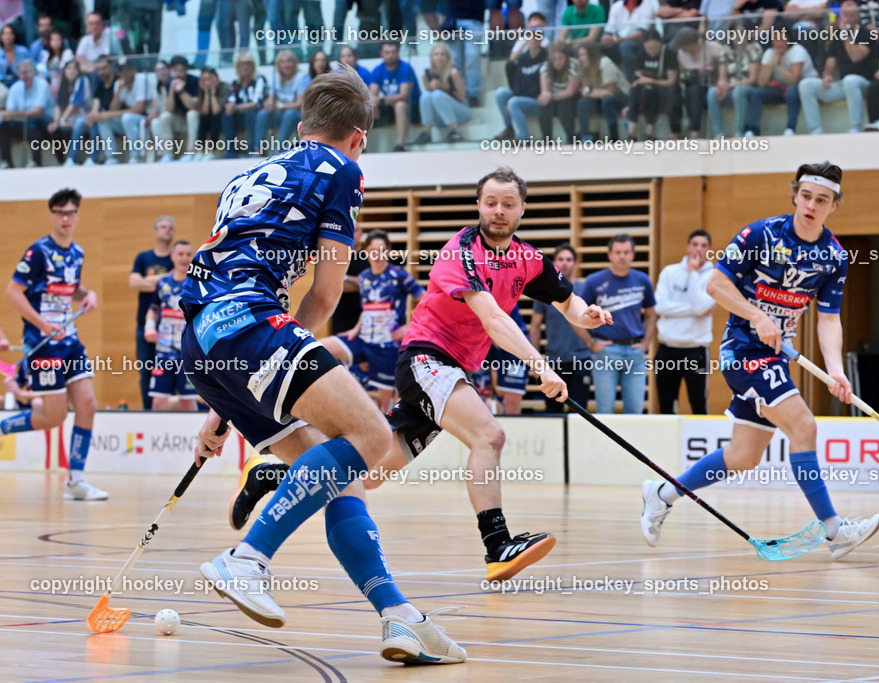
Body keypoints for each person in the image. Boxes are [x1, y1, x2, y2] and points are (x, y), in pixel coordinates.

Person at [182, 69, 466, 664]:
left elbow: (223, 279)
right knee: (370, 435)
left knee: (343, 476)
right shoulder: (343, 169)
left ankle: (398, 618)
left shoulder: (245, 175)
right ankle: (247, 559)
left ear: (301, 125)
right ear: (359, 137)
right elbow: (327, 291)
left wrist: (225, 403)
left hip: (201, 341)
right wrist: (284, 353)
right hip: (250, 324)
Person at [237, 168, 616, 583]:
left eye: (508, 204)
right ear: (479, 205)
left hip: (454, 367)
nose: (498, 211)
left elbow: (567, 300)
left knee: (369, 475)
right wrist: (539, 366)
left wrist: (587, 315)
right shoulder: (461, 251)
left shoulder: (526, 259)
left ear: (522, 209)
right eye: (491, 202)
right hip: (427, 358)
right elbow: (492, 319)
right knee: (489, 436)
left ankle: (271, 472)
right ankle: (497, 546)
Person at [639, 162, 879, 560]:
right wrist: (757, 315)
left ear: (833, 205)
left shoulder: (833, 257)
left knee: (744, 456)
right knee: (804, 426)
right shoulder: (761, 235)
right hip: (742, 352)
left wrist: (836, 370)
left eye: (822, 200)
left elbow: (828, 319)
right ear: (796, 195)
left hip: (775, 358)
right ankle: (835, 530)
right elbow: (716, 284)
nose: (811, 205)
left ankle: (662, 493)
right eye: (806, 196)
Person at [2, 188, 106, 501]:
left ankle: (76, 481)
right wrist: (42, 324)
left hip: (70, 340)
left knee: (87, 404)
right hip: (43, 342)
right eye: (60, 213)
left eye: (70, 212)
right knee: (53, 416)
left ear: (77, 215)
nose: (65, 218)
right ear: (52, 215)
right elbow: (13, 292)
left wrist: (88, 295)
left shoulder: (77, 253)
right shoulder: (38, 252)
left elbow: (70, 288)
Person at [321, 230, 425, 412]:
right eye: (373, 251)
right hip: (362, 339)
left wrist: (409, 327)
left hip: (386, 346)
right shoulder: (364, 277)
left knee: (387, 408)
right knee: (319, 347)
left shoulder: (399, 275)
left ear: (388, 251)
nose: (377, 255)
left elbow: (426, 301)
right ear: (366, 252)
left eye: (382, 250)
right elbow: (368, 308)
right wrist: (355, 329)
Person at [580, 234, 655, 414]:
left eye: (626, 252)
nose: (622, 256)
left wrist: (646, 343)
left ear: (633, 255)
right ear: (610, 255)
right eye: (618, 252)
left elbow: (651, 316)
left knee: (635, 410)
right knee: (605, 410)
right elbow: (578, 316)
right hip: (606, 350)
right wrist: (590, 343)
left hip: (635, 351)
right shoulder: (594, 281)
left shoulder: (642, 280)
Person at [653, 229, 714, 415]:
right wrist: (694, 310)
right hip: (667, 349)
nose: (698, 249)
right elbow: (660, 306)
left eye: (703, 246)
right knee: (666, 406)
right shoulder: (669, 272)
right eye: (695, 244)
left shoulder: (715, 277)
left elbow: (701, 307)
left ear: (709, 250)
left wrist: (693, 274)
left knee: (698, 404)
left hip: (696, 350)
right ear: (688, 247)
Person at [529, 243, 593, 412]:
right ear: (554, 263)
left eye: (569, 259)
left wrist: (594, 344)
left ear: (575, 264)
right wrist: (535, 362)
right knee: (553, 413)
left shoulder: (585, 289)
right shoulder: (545, 291)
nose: (565, 263)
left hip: (581, 360)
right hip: (554, 360)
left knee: (579, 413)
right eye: (561, 259)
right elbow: (535, 326)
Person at [797, 1, 878, 134]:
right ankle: (815, 130)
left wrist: (846, 35)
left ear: (857, 16)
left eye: (851, 15)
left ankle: (856, 127)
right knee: (806, 85)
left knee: (850, 80)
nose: (848, 19)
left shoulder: (866, 33)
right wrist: (827, 75)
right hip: (844, 84)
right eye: (845, 16)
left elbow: (856, 57)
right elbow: (830, 62)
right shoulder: (837, 36)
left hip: (865, 84)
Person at [145, 240, 199, 411]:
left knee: (187, 400)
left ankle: (195, 430)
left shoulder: (197, 284)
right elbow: (153, 309)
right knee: (158, 401)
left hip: (188, 352)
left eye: (188, 254)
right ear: (172, 257)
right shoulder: (163, 282)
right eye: (180, 254)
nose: (185, 258)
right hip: (164, 350)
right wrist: (149, 327)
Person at [129, 215, 175, 410]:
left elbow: (179, 280)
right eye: (163, 227)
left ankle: (168, 410)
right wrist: (165, 280)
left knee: (171, 370)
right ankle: (148, 411)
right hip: (144, 325)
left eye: (170, 228)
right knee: (146, 370)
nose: (167, 230)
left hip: (171, 326)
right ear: (156, 231)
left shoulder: (176, 258)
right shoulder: (144, 258)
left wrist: (149, 281)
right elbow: (134, 282)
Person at [413, 43, 472, 144]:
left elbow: (462, 97)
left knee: (438, 95)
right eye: (436, 54)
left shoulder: (453, 72)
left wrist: (442, 88)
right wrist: (431, 88)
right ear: (431, 57)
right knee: (425, 96)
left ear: (447, 57)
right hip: (439, 115)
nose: (439, 57)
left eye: (442, 54)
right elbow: (428, 101)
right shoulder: (426, 74)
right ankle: (426, 132)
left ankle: (455, 130)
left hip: (460, 111)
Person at [0, 59, 53, 169]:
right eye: (22, 72)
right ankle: (7, 162)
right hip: (23, 122)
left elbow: (38, 112)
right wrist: (11, 114)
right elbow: (8, 114)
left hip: (44, 121)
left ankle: (36, 161)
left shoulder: (42, 85)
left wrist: (14, 114)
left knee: (32, 122)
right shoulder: (15, 87)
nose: (25, 75)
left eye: (27, 71)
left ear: (34, 72)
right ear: (18, 74)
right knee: (4, 126)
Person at [368, 41, 418, 152]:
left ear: (398, 53)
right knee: (369, 103)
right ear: (381, 54)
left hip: (412, 107)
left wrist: (381, 100)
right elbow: (373, 92)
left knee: (400, 105)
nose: (390, 55)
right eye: (387, 52)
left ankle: (400, 145)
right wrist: (374, 103)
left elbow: (404, 95)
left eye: (393, 52)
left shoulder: (406, 68)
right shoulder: (377, 70)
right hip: (389, 105)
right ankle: (362, 146)